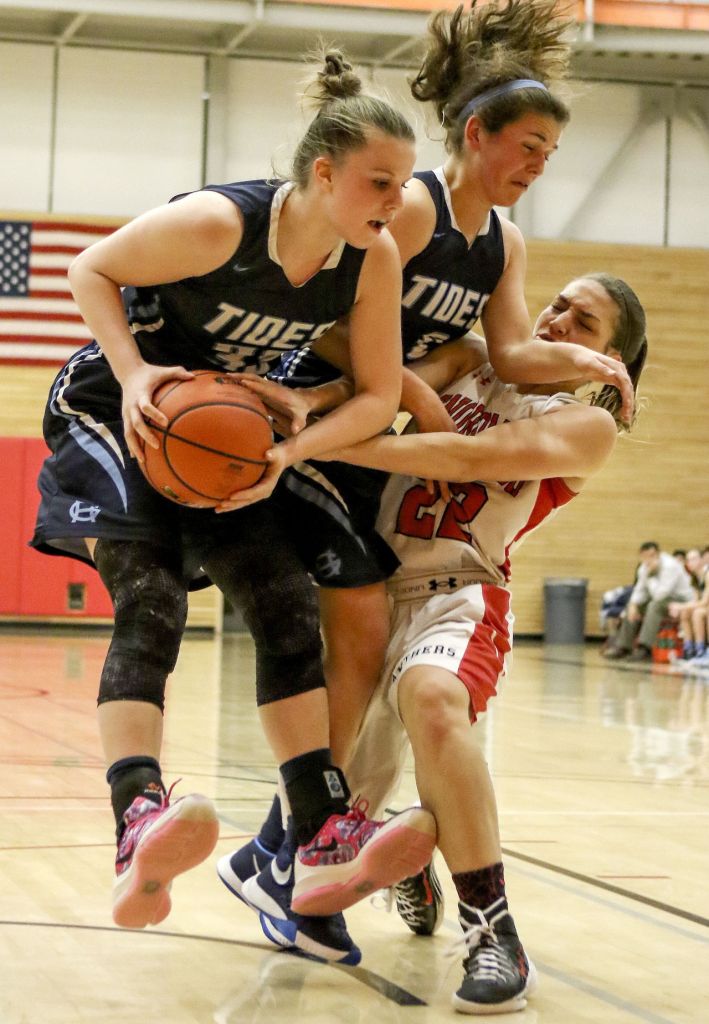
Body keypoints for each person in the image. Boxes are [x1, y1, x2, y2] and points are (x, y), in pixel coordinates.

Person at [218, 0, 634, 945]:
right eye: (527, 146)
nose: (536, 167)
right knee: (351, 646)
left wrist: (586, 364)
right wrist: (410, 389)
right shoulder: (412, 208)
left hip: (375, 438)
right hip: (317, 403)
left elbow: (514, 354)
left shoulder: (505, 245)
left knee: (365, 674)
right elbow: (329, 314)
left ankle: (294, 850)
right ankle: (295, 848)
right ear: (475, 134)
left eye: (549, 156)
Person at [29, 49, 436, 959]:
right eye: (379, 180)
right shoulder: (219, 224)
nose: (394, 198)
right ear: (322, 173)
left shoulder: (369, 259)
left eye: (404, 182)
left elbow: (377, 395)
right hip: (114, 404)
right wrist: (135, 376)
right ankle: (138, 814)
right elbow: (88, 269)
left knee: (285, 599)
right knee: (154, 597)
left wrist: (289, 448)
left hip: (230, 436)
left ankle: (319, 833)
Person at [309, 272, 646, 1013]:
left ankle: (493, 932)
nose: (555, 320)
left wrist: (327, 443)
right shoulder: (468, 358)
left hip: (458, 592)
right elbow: (380, 379)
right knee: (330, 828)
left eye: (583, 324)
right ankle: (407, 856)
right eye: (556, 303)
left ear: (609, 360)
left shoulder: (585, 427)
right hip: (363, 593)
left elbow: (461, 459)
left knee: (433, 703)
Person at [604, 542, 695, 662]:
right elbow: (639, 590)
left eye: (652, 555)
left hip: (681, 599)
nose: (648, 559)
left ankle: (645, 648)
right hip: (660, 598)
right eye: (645, 556)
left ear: (658, 554)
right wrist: (633, 605)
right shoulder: (643, 568)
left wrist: (651, 575)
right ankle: (623, 646)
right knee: (633, 606)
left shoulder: (670, 566)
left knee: (654, 606)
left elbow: (660, 595)